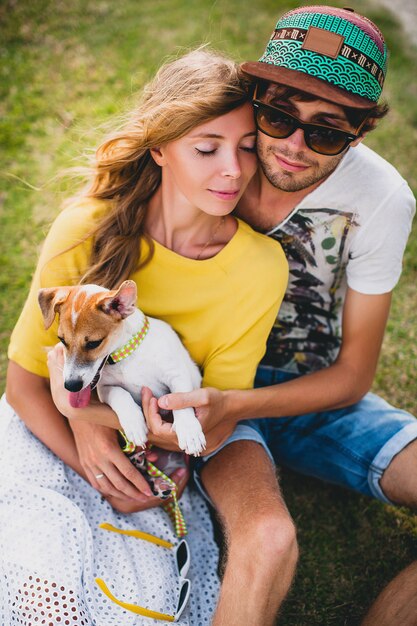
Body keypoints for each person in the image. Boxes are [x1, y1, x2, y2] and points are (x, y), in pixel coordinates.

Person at [146, 7, 417, 626]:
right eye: (278, 117)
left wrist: (238, 407)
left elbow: (353, 375)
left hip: (311, 393)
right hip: (202, 386)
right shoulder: (209, 154)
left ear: (360, 134)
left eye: (326, 132)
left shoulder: (382, 200)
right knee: (266, 537)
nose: (294, 146)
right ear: (256, 98)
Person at [1, 49, 288, 625]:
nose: (233, 169)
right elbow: (25, 386)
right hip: (45, 441)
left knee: (136, 608)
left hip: (154, 462)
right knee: (43, 602)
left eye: (247, 147)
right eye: (206, 149)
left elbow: (217, 414)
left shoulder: (259, 267)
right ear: (159, 149)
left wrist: (120, 438)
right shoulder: (85, 228)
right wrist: (87, 446)